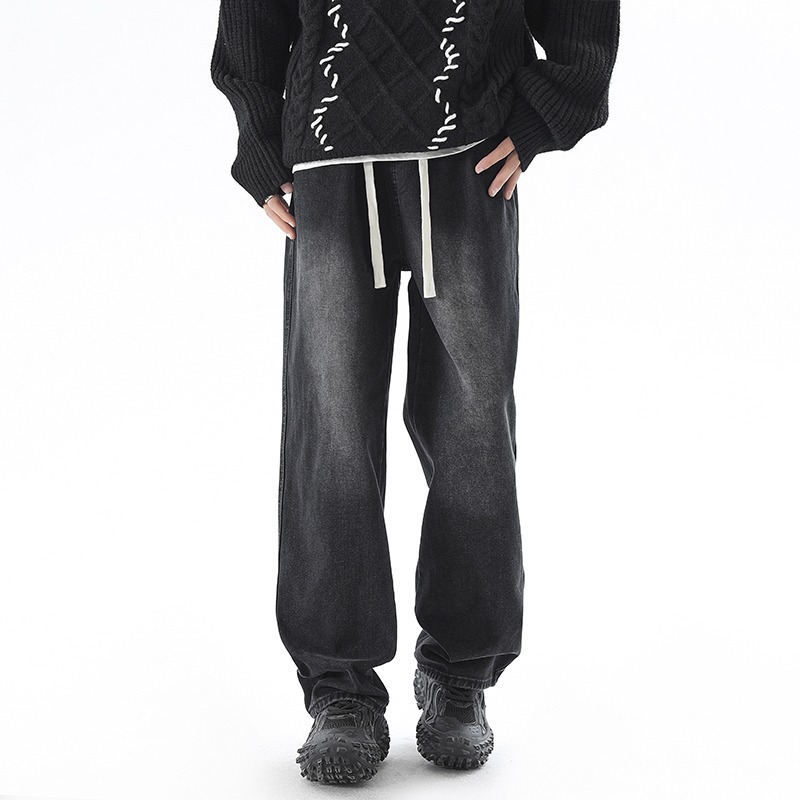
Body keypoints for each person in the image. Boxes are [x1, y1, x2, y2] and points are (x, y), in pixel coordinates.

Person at [211, 0, 620, 784]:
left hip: (469, 152)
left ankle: (459, 674)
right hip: (328, 160)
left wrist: (548, 108)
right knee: (331, 429)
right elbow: (252, 15)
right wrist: (259, 139)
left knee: (472, 429)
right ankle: (340, 691)